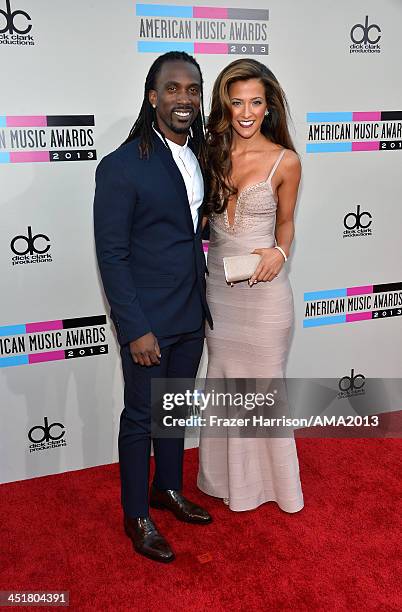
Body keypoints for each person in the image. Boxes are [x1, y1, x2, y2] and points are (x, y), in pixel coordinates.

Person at [94, 51, 213, 563]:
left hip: (191, 312)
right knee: (141, 416)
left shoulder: (199, 154)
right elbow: (112, 254)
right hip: (148, 320)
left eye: (192, 89)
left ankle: (167, 488)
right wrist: (134, 327)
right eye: (172, 89)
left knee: (174, 410)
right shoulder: (122, 166)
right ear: (152, 96)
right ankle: (135, 513)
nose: (183, 99)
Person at [197, 58, 304, 513]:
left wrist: (279, 254)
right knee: (223, 383)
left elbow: (286, 224)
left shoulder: (286, 161)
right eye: (236, 102)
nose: (245, 112)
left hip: (264, 295)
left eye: (255, 102)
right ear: (225, 105)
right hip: (219, 293)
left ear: (268, 106)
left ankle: (271, 486)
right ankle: (228, 481)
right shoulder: (209, 154)